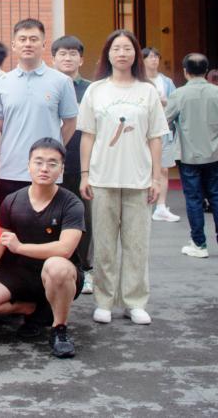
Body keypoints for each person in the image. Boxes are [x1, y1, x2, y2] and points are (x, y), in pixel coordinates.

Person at [78, 30, 167, 326]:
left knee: (136, 244)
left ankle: (135, 301)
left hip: (139, 179)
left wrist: (156, 178)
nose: (122, 53)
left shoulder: (148, 91)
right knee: (104, 245)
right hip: (102, 178)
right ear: (108, 53)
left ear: (135, 54)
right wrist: (85, 174)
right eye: (116, 48)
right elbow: (88, 136)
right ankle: (103, 301)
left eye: (127, 48)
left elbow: (155, 137)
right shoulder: (96, 90)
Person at [0, 138, 84, 358]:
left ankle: (59, 329)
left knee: (56, 266)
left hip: (58, 275)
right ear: (28, 166)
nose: (44, 168)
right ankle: (32, 309)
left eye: (52, 163)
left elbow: (65, 249)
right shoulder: (12, 201)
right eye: (38, 162)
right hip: (19, 273)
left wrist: (20, 247)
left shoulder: (71, 203)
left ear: (61, 169)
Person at [0, 19, 78, 211]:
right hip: (9, 172)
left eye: (33, 39)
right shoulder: (3, 83)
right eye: (23, 39)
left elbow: (70, 122)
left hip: (47, 174)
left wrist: (53, 150)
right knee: (7, 227)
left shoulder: (62, 82)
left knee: (45, 228)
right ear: (14, 45)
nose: (28, 44)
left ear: (43, 44)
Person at [166, 53, 218, 259]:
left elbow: (165, 120)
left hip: (188, 155)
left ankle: (198, 243)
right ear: (206, 71)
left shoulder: (179, 95)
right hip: (215, 154)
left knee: (193, 199)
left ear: (185, 71)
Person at [52, 35, 94, 294]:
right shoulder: (48, 85)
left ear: (81, 59)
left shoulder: (91, 89)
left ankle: (85, 269)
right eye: (62, 54)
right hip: (51, 164)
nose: (67, 58)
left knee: (83, 218)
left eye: (73, 54)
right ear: (53, 58)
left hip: (81, 162)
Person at [143, 47, 181, 223]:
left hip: (162, 129)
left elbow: (175, 103)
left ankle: (161, 206)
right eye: (150, 57)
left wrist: (164, 102)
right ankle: (143, 205)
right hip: (142, 129)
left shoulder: (166, 81)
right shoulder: (138, 81)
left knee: (163, 168)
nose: (154, 60)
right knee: (143, 167)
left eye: (156, 57)